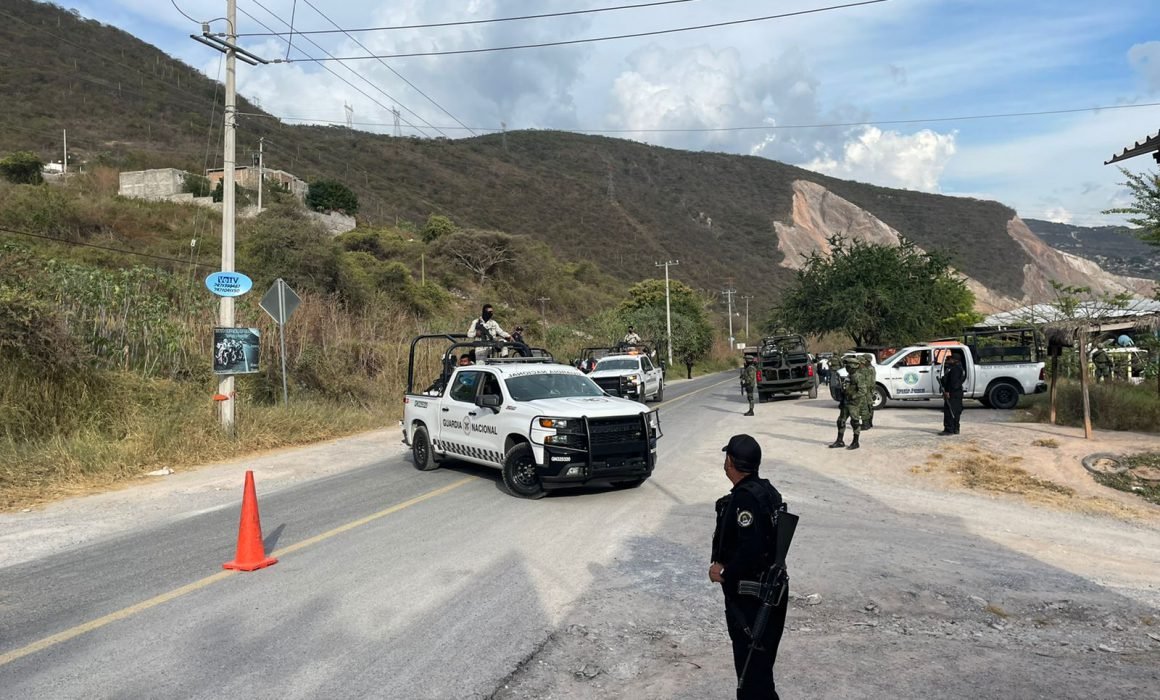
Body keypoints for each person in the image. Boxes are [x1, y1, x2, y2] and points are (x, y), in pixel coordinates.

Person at [710, 434, 789, 700]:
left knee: (751, 674)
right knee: (759, 670)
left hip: (752, 601)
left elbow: (751, 550)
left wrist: (723, 573)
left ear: (730, 462)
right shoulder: (766, 490)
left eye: (726, 457)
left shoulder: (745, 500)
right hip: (768, 595)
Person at [829, 355, 867, 450]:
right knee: (841, 421)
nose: (847, 368)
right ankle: (840, 440)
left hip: (854, 403)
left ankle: (855, 442)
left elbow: (863, 391)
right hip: (846, 401)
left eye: (848, 366)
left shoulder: (859, 376)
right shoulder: (849, 376)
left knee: (855, 422)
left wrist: (854, 396)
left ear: (854, 366)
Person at [938, 354, 965, 436]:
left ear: (955, 360)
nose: (948, 361)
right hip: (956, 392)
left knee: (949, 411)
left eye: (950, 359)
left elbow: (953, 383)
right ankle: (955, 428)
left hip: (953, 393)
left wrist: (947, 391)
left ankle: (949, 429)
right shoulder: (957, 368)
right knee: (955, 410)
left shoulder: (955, 369)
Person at [856, 355, 876, 430]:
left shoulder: (867, 369)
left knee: (866, 407)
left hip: (866, 390)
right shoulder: (871, 368)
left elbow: (868, 381)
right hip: (869, 389)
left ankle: (866, 424)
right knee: (869, 406)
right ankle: (869, 423)